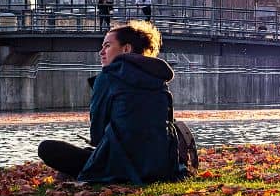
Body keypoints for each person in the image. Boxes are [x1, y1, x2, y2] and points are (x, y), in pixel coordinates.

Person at [37, 21, 184, 184]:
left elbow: (97, 135)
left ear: (126, 49)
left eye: (107, 46)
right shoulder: (159, 79)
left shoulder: (108, 77)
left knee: (47, 148)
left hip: (121, 166)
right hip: (159, 165)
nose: (101, 52)